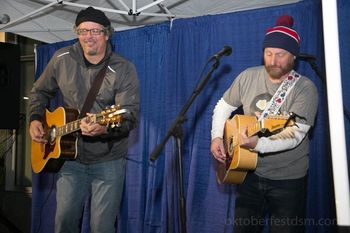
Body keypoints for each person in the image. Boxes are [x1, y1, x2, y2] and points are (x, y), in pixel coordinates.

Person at [29, 6, 140, 233]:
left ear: (107, 33)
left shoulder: (123, 69)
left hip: (108, 160)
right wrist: (35, 118)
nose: (88, 37)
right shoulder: (61, 58)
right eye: (82, 31)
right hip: (70, 159)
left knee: (102, 227)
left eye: (95, 31)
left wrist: (104, 129)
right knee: (64, 223)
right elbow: (38, 92)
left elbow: (129, 116)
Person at [210, 15, 318, 233]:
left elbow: (295, 134)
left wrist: (257, 144)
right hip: (248, 172)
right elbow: (223, 106)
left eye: (280, 55)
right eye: (268, 53)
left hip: (288, 180)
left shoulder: (305, 88)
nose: (273, 60)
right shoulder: (248, 76)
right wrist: (216, 137)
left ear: (293, 57)